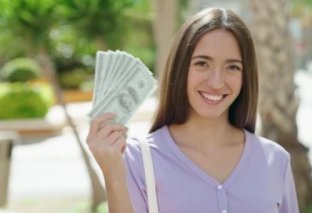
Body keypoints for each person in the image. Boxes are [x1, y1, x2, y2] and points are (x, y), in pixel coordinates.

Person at [86, 7, 299, 213]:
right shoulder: (137, 159)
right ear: (181, 68)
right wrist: (113, 175)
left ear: (246, 76)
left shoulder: (276, 161)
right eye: (202, 64)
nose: (216, 82)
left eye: (232, 67)